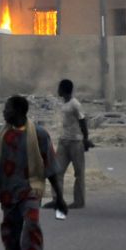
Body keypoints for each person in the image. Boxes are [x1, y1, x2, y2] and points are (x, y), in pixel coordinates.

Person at [0, 95, 68, 250]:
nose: (4, 112)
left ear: (18, 112)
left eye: (7, 108)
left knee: (32, 226)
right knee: (11, 232)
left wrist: (59, 197)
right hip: (7, 191)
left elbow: (50, 169)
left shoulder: (40, 135)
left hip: (31, 189)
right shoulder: (1, 134)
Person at [43, 79, 92, 210]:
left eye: (59, 88)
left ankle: (79, 201)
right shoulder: (64, 104)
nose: (57, 90)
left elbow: (83, 122)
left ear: (64, 90)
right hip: (64, 141)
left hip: (76, 142)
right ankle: (56, 199)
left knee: (79, 173)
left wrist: (85, 139)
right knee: (57, 171)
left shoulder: (75, 104)